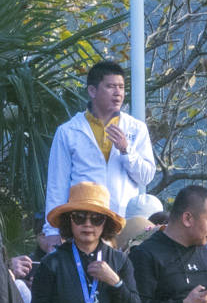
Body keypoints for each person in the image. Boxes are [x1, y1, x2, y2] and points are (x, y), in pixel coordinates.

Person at [43, 61, 158, 238]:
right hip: (84, 223)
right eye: (111, 86)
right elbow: (57, 184)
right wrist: (52, 231)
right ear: (92, 91)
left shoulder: (136, 128)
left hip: (123, 223)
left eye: (121, 87)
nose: (118, 93)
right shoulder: (68, 131)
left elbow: (146, 177)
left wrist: (126, 150)